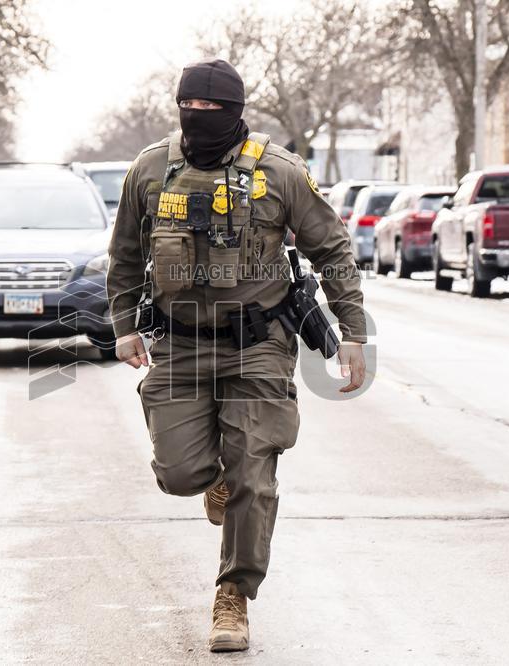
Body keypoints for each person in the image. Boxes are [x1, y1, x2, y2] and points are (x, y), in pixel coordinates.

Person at [106, 59, 367, 653]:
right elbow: (123, 255)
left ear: (236, 113)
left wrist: (352, 331)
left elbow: (334, 251)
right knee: (178, 473)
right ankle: (215, 481)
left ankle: (234, 596)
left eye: (211, 112)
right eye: (188, 110)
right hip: (179, 343)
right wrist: (124, 325)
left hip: (258, 345)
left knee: (254, 470)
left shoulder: (279, 173)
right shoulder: (150, 169)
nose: (198, 121)